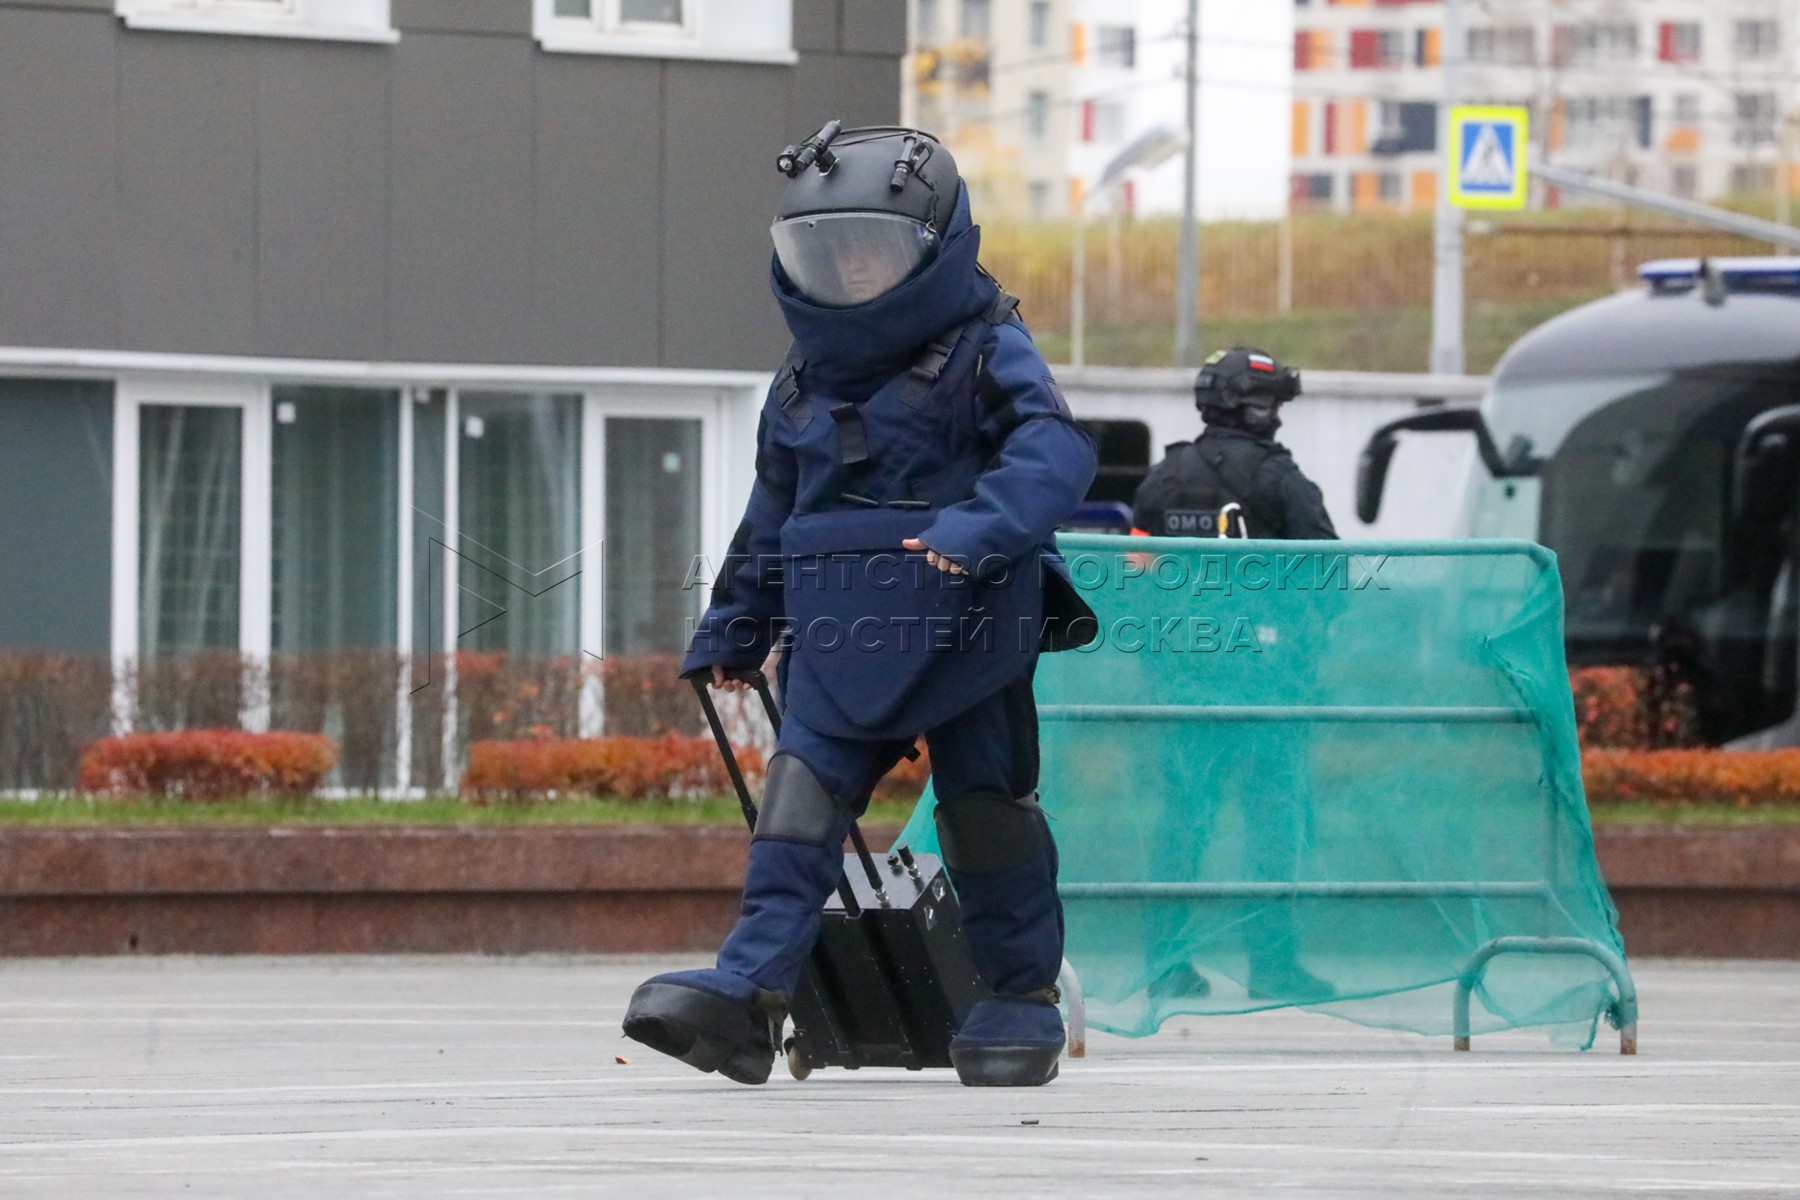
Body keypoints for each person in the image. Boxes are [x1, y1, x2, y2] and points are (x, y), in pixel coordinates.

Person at [621, 122, 1099, 1088]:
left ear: (934, 246)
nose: (848, 273)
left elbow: (1053, 454)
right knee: (797, 807)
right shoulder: (799, 378)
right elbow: (774, 508)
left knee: (985, 813)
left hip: (970, 624)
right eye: (826, 254)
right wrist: (735, 623)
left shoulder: (988, 346)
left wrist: (975, 535)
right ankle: (748, 997)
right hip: (841, 621)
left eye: (870, 253)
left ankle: (1019, 1000)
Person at [1130, 347, 1337, 1005]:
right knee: (1272, 826)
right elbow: (1330, 575)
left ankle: (1166, 965)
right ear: (1256, 407)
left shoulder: (1161, 480)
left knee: (1181, 824)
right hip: (1267, 686)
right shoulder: (1281, 482)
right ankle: (1272, 965)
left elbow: (1135, 581)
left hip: (1182, 685)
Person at [1130, 347, 1336, 541]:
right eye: (1276, 406)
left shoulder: (1163, 475)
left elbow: (1137, 564)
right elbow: (1330, 565)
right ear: (1258, 411)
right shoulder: (1280, 478)